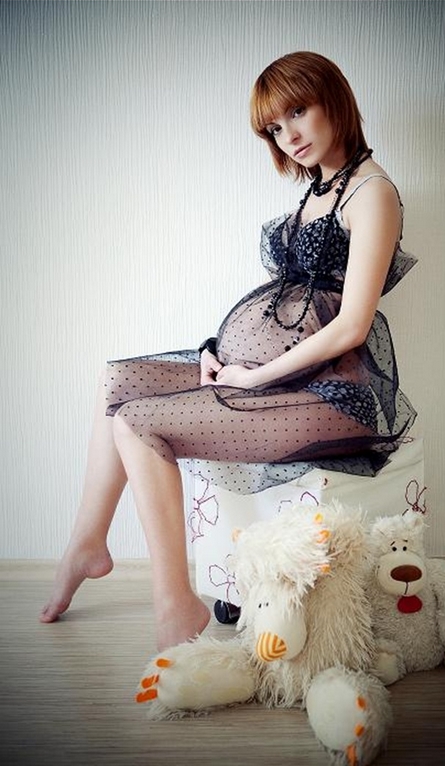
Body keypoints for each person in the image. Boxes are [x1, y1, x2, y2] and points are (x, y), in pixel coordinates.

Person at [40, 51, 417, 651]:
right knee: (118, 379)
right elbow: (283, 305)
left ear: (334, 99)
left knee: (136, 421)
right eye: (274, 127)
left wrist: (254, 377)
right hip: (275, 376)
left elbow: (350, 326)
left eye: (298, 111)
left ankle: (175, 602)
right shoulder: (319, 190)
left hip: (329, 395)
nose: (288, 135)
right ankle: (87, 542)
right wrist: (219, 350)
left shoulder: (372, 193)